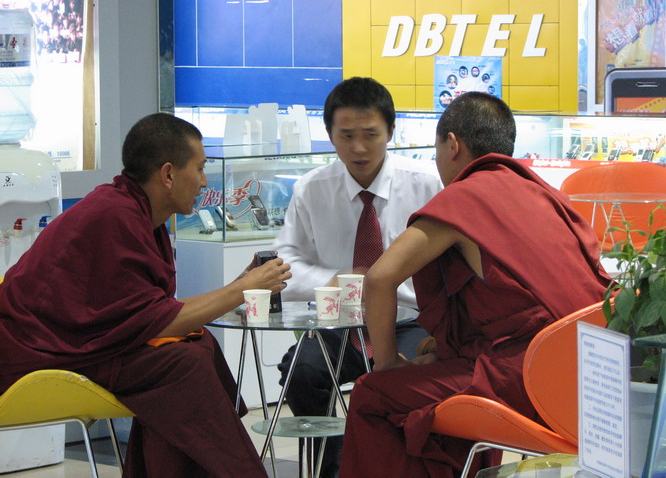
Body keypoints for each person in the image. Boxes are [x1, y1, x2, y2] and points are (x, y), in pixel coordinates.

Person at [0, 113, 292, 477]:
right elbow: (155, 321)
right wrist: (241, 290)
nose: (204, 182)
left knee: (196, 347)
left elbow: (148, 314)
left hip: (85, 343)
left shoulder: (138, 213)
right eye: (199, 169)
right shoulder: (112, 214)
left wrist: (239, 283)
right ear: (168, 174)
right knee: (181, 365)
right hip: (38, 351)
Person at [339, 92, 612, 477]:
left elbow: (380, 279)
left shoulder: (463, 198)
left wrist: (386, 363)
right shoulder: (546, 195)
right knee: (440, 365)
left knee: (373, 394)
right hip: (597, 375)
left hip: (532, 380)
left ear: (453, 144)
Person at [272, 77, 442, 477]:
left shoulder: (425, 184)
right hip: (340, 323)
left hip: (410, 321)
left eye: (371, 134)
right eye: (346, 135)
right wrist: (336, 279)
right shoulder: (312, 189)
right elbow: (283, 264)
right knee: (301, 372)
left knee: (415, 378)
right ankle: (335, 468)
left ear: (391, 132)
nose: (359, 147)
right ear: (329, 134)